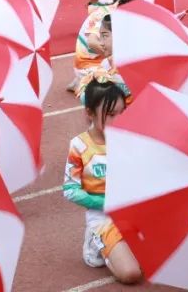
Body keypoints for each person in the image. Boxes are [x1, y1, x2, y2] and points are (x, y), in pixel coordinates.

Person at [63, 77, 143, 284]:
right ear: (89, 113)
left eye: (122, 113)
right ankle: (94, 240)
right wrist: (106, 203)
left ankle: (124, 242)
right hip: (103, 217)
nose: (118, 119)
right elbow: (70, 189)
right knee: (131, 274)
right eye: (110, 115)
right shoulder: (79, 146)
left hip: (133, 212)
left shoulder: (129, 138)